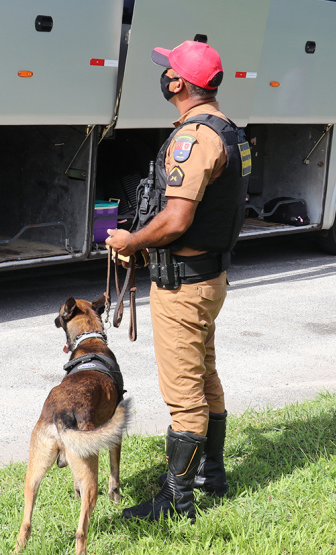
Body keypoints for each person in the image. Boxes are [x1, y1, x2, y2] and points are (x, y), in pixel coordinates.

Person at [105, 40, 250, 522]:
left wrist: (133, 241)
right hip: (209, 280)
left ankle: (177, 503)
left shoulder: (194, 139)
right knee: (205, 376)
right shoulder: (229, 130)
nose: (164, 75)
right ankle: (212, 475)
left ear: (179, 84)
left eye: (169, 70)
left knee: (184, 395)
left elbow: (177, 218)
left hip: (183, 289)